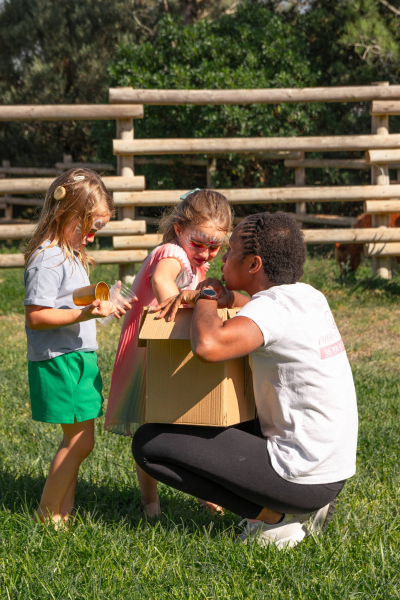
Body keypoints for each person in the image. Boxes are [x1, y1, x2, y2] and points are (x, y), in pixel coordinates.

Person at [132, 211, 358, 550]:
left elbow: (208, 346)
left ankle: (274, 517)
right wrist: (226, 299)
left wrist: (206, 294)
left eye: (230, 250)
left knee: (149, 444)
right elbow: (250, 306)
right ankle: (300, 507)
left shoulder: (273, 310)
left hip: (301, 477)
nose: (222, 256)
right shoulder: (306, 296)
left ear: (254, 264)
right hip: (329, 470)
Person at [104, 188, 233, 517]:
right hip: (150, 353)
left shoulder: (193, 262)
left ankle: (207, 493)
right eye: (199, 243)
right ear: (179, 230)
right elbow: (163, 281)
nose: (205, 253)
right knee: (151, 428)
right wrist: (177, 301)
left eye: (214, 246)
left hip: (170, 347)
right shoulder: (172, 254)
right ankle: (151, 504)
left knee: (192, 422)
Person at [24, 168, 133, 526]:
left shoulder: (69, 254)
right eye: (88, 227)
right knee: (81, 441)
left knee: (77, 441)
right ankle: (46, 515)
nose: (91, 236)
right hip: (61, 361)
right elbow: (37, 316)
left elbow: (74, 310)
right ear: (63, 211)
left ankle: (62, 514)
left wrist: (102, 308)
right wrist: (84, 312)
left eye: (97, 230)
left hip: (77, 358)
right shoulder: (48, 257)